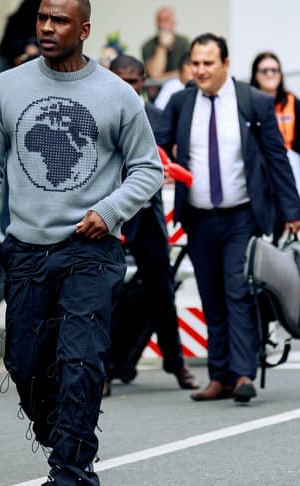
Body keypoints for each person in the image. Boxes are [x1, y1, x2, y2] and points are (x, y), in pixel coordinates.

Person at [0, 0, 162, 486]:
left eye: (59, 21)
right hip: (25, 249)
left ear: (85, 29)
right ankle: (71, 438)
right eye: (42, 18)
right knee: (24, 364)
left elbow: (148, 169)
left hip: (90, 249)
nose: (47, 28)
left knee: (81, 364)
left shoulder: (117, 95)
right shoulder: (8, 88)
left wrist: (109, 211)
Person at [156, 33, 300, 403]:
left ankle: (243, 374)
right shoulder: (181, 102)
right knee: (211, 295)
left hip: (242, 215)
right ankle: (219, 375)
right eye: (196, 63)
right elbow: (157, 143)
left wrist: (291, 211)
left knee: (238, 292)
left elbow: (276, 159)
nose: (201, 71)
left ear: (225, 64)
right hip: (199, 218)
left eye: (208, 63)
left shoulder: (252, 103)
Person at [108, 53, 198, 390]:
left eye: (133, 81)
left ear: (144, 82)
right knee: (107, 292)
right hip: (110, 216)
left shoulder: (158, 119)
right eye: (120, 80)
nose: (127, 88)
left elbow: (173, 162)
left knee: (162, 290)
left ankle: (176, 365)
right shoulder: (98, 116)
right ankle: (104, 369)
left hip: (146, 216)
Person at [250, 51, 300, 207]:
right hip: (257, 174)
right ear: (255, 75)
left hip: (287, 172)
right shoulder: (246, 104)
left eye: (274, 70)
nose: (270, 74)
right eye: (264, 71)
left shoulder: (296, 106)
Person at [142, 7, 190, 82]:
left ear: (174, 23)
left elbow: (187, 72)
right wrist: (162, 46)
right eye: (159, 20)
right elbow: (154, 74)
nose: (162, 25)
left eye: (166, 20)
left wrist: (161, 77)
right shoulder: (148, 45)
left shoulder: (184, 42)